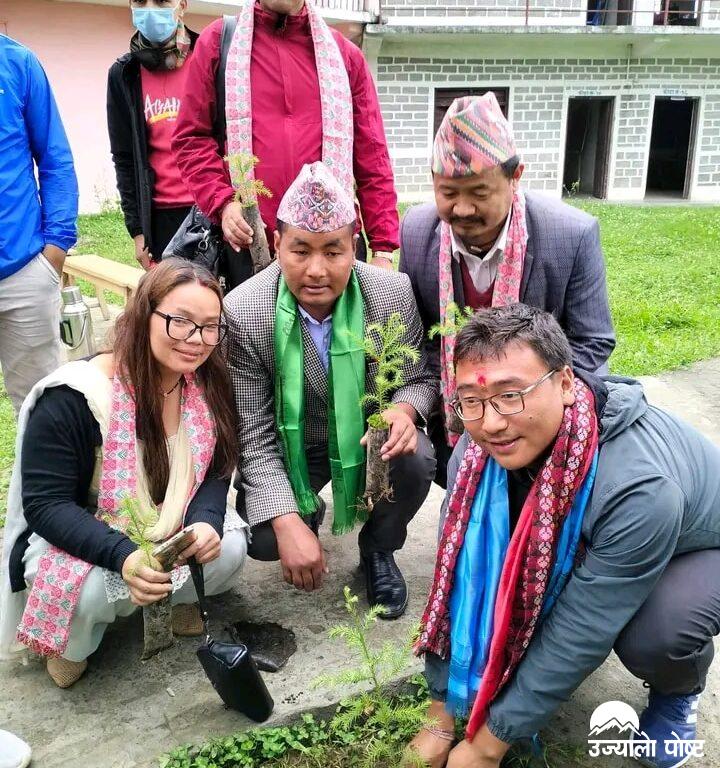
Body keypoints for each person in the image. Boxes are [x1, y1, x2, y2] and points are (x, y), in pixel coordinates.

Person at [405, 304, 720, 768]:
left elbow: (582, 628)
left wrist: (487, 747)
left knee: (657, 634)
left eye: (512, 395)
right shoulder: (476, 452)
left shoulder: (638, 490)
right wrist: (440, 716)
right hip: (617, 534)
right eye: (471, 399)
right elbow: (462, 578)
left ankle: (678, 690)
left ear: (567, 383)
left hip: (697, 545)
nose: (490, 423)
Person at [0, 260, 248, 688]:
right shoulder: (75, 396)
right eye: (180, 321)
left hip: (168, 524)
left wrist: (206, 521)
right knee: (92, 591)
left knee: (229, 548)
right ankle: (71, 643)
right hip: (88, 533)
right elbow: (46, 505)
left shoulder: (206, 381)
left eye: (210, 327)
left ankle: (174, 599)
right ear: (143, 314)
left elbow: (218, 465)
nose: (197, 340)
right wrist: (124, 556)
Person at [224, 162, 437, 618]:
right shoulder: (243, 310)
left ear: (353, 246)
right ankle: (304, 511)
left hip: (366, 441)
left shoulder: (391, 292)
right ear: (277, 244)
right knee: (264, 538)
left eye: (333, 252)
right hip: (291, 447)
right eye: (300, 251)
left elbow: (420, 377)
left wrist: (403, 410)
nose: (316, 270)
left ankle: (378, 549)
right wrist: (285, 521)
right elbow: (254, 434)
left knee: (416, 458)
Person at [399, 93, 615, 488]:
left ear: (515, 178)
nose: (462, 209)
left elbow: (593, 342)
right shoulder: (416, 231)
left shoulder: (570, 235)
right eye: (448, 194)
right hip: (457, 410)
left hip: (537, 414)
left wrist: (520, 400)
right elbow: (419, 338)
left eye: (479, 194)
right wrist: (469, 402)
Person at [172, 0, 399, 290]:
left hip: (331, 254)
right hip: (250, 247)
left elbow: (373, 158)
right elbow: (192, 138)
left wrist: (382, 251)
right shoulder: (220, 43)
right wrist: (224, 203)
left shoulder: (344, 58)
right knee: (254, 335)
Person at [0, 35, 78, 415]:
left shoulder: (17, 63)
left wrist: (55, 250)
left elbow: (55, 159)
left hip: (23, 273)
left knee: (38, 409)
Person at [107, 0, 199, 269]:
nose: (150, 9)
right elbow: (124, 157)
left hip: (209, 209)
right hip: (159, 219)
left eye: (161, 1)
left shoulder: (210, 57)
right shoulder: (124, 74)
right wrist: (137, 230)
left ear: (182, 5)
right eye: (140, 1)